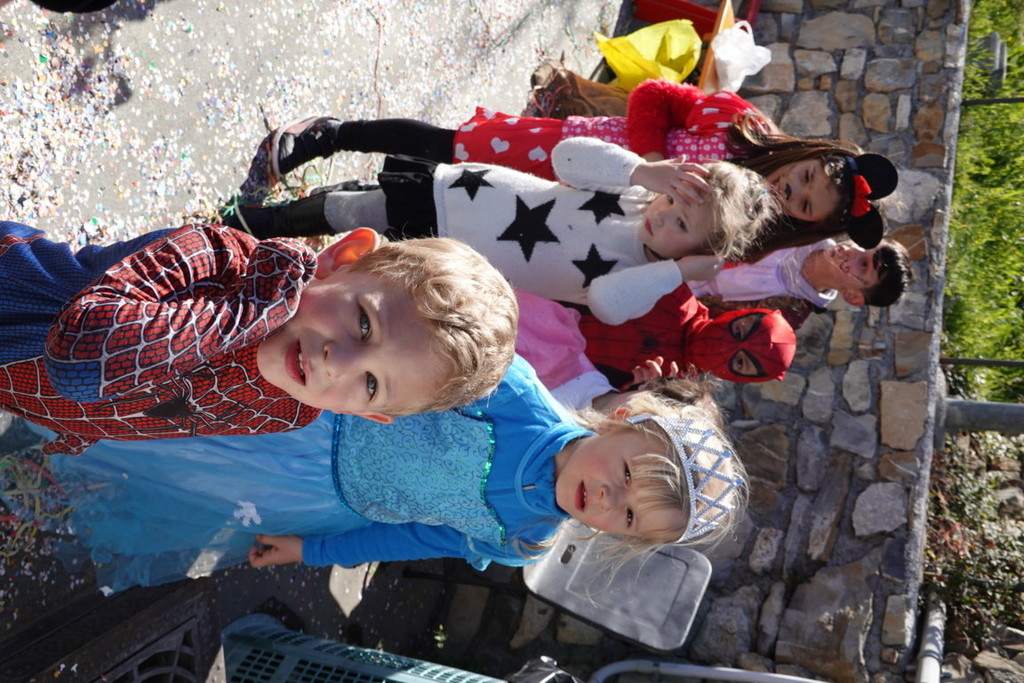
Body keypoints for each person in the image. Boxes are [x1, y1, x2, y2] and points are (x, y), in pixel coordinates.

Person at [28, 356, 745, 592]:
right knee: (185, 407)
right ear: (622, 420)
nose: (608, 499)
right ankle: (61, 377)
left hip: (313, 498)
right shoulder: (511, 393)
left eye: (627, 517)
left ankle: (63, 431)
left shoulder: (523, 537)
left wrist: (310, 548)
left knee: (183, 467)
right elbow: (403, 354)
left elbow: (410, 534)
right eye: (625, 473)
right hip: (310, 419)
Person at [0, 221, 518, 456]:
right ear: (344, 259)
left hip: (25, 392)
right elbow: (79, 363)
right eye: (364, 324)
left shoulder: (289, 410)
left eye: (371, 385)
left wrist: (82, 425)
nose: (337, 363)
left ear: (369, 414)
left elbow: (169, 413)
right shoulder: (216, 259)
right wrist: (255, 310)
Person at [245, 80, 898, 258]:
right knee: (450, 146)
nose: (792, 189)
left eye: (804, 204)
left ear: (803, 223)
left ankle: (329, 205)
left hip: (562, 218)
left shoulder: (746, 237)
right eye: (806, 175)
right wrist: (648, 163)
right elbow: (653, 95)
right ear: (808, 151)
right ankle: (331, 137)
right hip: (566, 152)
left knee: (431, 201)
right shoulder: (740, 124)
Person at [225, 137, 776, 326]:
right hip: (466, 197)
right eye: (672, 199)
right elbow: (566, 157)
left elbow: (607, 304)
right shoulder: (635, 190)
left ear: (700, 250)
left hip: (451, 256)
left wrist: (676, 273)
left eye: (681, 225)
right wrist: (643, 172)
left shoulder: (641, 275)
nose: (662, 214)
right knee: (357, 208)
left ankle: (274, 267)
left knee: (367, 259)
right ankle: (260, 224)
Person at [514, 288, 796, 407]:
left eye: (740, 361)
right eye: (740, 330)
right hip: (524, 309)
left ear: (737, 377)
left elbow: (594, 411)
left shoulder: (674, 395)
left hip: (525, 377)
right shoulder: (673, 293)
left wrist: (635, 395)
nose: (726, 347)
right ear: (740, 314)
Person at [689, 237, 913, 314]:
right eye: (863, 245)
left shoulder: (786, 315)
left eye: (863, 265)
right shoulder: (802, 226)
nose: (852, 250)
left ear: (853, 296)